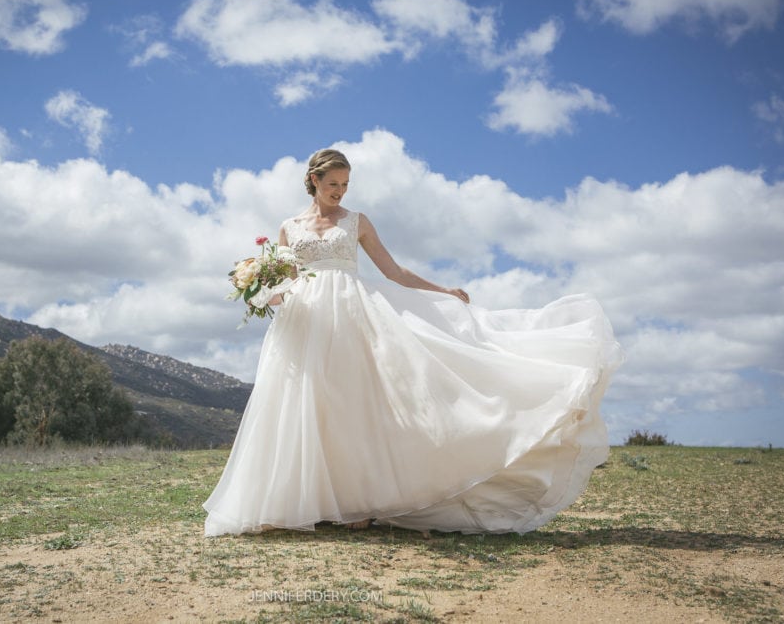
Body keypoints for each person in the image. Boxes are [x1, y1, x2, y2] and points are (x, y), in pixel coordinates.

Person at [203, 148, 623, 537]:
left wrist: (443, 290)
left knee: (355, 405)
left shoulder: (357, 221)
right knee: (306, 405)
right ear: (313, 179)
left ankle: (359, 502)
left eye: (346, 184)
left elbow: (394, 272)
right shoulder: (289, 227)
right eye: (334, 184)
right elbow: (286, 284)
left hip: (351, 316)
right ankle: (306, 499)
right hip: (305, 321)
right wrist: (259, 291)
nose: (340, 191)